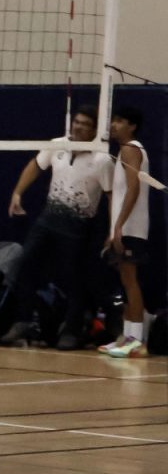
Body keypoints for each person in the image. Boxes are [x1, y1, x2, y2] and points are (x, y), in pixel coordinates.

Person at [4, 105, 114, 350]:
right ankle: (24, 321)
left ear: (95, 129)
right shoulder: (57, 144)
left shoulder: (103, 159)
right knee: (23, 264)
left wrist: (113, 230)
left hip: (78, 226)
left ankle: (72, 330)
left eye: (85, 124)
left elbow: (110, 196)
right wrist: (18, 192)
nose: (79, 126)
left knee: (74, 278)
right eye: (76, 122)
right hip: (48, 220)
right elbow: (35, 165)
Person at [100, 105, 151, 358]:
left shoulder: (132, 149)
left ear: (131, 126)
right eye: (114, 120)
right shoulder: (122, 152)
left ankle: (137, 340)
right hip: (123, 226)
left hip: (132, 226)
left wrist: (119, 225)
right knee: (124, 280)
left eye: (120, 121)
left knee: (130, 280)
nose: (114, 125)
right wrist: (113, 229)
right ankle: (126, 337)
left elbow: (134, 189)